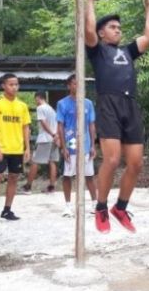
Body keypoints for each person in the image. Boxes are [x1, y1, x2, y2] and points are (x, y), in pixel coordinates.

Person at [85, 0, 149, 233]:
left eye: (119, 28)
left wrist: (148, 6)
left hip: (130, 105)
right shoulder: (97, 51)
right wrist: (90, 1)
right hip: (109, 104)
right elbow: (89, 32)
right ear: (102, 33)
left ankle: (120, 208)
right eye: (113, 28)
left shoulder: (127, 51)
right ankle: (101, 207)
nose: (118, 31)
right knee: (112, 159)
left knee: (135, 163)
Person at [0, 73, 31, 225]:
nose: (14, 87)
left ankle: (7, 210)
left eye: (16, 84)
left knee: (13, 178)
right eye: (11, 84)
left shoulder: (22, 106)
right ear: (3, 85)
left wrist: (27, 148)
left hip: (17, 149)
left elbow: (26, 127)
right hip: (2, 148)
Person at [56, 74, 98, 217]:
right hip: (70, 142)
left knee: (89, 175)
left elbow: (91, 124)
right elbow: (60, 126)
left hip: (85, 144)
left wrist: (93, 145)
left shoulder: (88, 103)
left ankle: (94, 204)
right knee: (68, 175)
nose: (77, 86)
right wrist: (63, 147)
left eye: (80, 83)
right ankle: (68, 206)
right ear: (69, 86)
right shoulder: (62, 104)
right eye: (74, 83)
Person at [22, 91, 59, 195]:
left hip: (45, 138)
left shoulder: (40, 108)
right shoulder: (51, 109)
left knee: (35, 162)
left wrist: (51, 134)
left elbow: (43, 123)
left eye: (35, 99)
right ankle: (51, 187)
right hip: (54, 139)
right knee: (52, 162)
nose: (35, 101)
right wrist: (56, 136)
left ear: (38, 98)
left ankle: (28, 187)